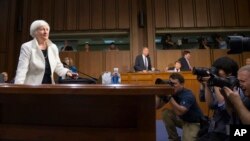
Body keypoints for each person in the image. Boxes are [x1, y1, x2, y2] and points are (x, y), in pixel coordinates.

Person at [14, 20, 74, 84]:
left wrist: (67, 72)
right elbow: (22, 69)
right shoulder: (27, 47)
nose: (46, 32)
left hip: (49, 86)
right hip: (31, 87)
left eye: (47, 29)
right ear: (35, 32)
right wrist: (18, 87)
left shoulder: (53, 47)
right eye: (42, 29)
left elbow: (58, 66)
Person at [197, 57, 239, 141]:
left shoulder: (235, 86)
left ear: (229, 72)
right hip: (216, 128)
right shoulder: (218, 84)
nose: (216, 72)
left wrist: (216, 83)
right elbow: (211, 104)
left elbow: (223, 106)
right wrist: (207, 85)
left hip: (227, 130)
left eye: (218, 70)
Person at [158, 73, 203, 141]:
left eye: (174, 84)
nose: (172, 86)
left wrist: (170, 98)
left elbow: (182, 111)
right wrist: (158, 94)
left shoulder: (188, 94)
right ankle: (174, 138)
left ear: (182, 84)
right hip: (183, 120)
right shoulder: (172, 92)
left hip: (194, 123)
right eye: (170, 83)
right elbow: (157, 107)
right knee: (166, 113)